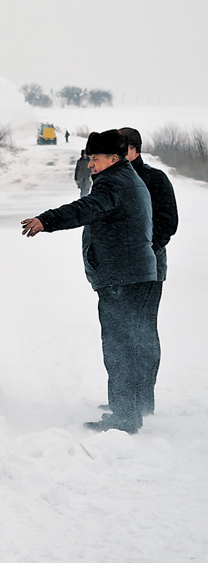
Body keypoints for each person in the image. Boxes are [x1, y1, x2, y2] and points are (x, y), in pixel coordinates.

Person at [21, 129, 157, 434]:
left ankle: (124, 417)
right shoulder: (127, 178)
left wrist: (48, 220)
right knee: (132, 342)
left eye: (95, 159)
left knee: (119, 345)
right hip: (133, 273)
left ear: (113, 158)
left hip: (121, 276)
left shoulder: (114, 184)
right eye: (89, 158)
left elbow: (85, 209)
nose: (91, 164)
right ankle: (132, 407)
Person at [118, 127, 178, 416]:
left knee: (142, 332)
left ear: (134, 149)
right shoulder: (109, 179)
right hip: (117, 272)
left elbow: (168, 223)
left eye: (120, 149)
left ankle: (141, 401)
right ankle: (123, 399)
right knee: (120, 334)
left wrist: (144, 251)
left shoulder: (155, 179)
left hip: (148, 270)